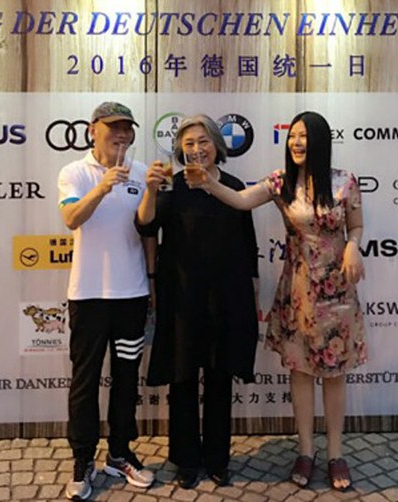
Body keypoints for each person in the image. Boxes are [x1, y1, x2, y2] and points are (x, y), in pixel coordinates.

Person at [188, 111, 367, 492]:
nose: (297, 143)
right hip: (298, 291)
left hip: (337, 293)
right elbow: (239, 200)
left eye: (304, 136)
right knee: (300, 373)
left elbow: (357, 225)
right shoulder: (280, 183)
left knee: (334, 377)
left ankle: (336, 453)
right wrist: (207, 183)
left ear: (320, 140)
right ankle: (305, 451)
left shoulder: (344, 182)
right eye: (293, 137)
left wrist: (354, 246)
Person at [136, 114, 259, 489]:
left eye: (203, 141)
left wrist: (253, 289)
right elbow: (145, 227)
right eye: (188, 143)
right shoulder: (171, 188)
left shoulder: (236, 187)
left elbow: (249, 244)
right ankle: (186, 460)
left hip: (227, 297)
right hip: (182, 298)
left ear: (217, 147)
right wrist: (151, 191)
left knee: (221, 378)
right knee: (183, 378)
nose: (196, 149)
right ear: (179, 148)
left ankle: (218, 459)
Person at [57, 102, 155, 501]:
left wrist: (150, 188)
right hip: (88, 296)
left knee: (127, 379)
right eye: (113, 128)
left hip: (131, 295)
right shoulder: (74, 172)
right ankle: (83, 460)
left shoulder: (141, 170)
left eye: (127, 129)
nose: (121, 135)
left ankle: (119, 453)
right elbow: (71, 219)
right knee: (84, 382)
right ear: (92, 130)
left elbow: (147, 226)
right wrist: (103, 186)